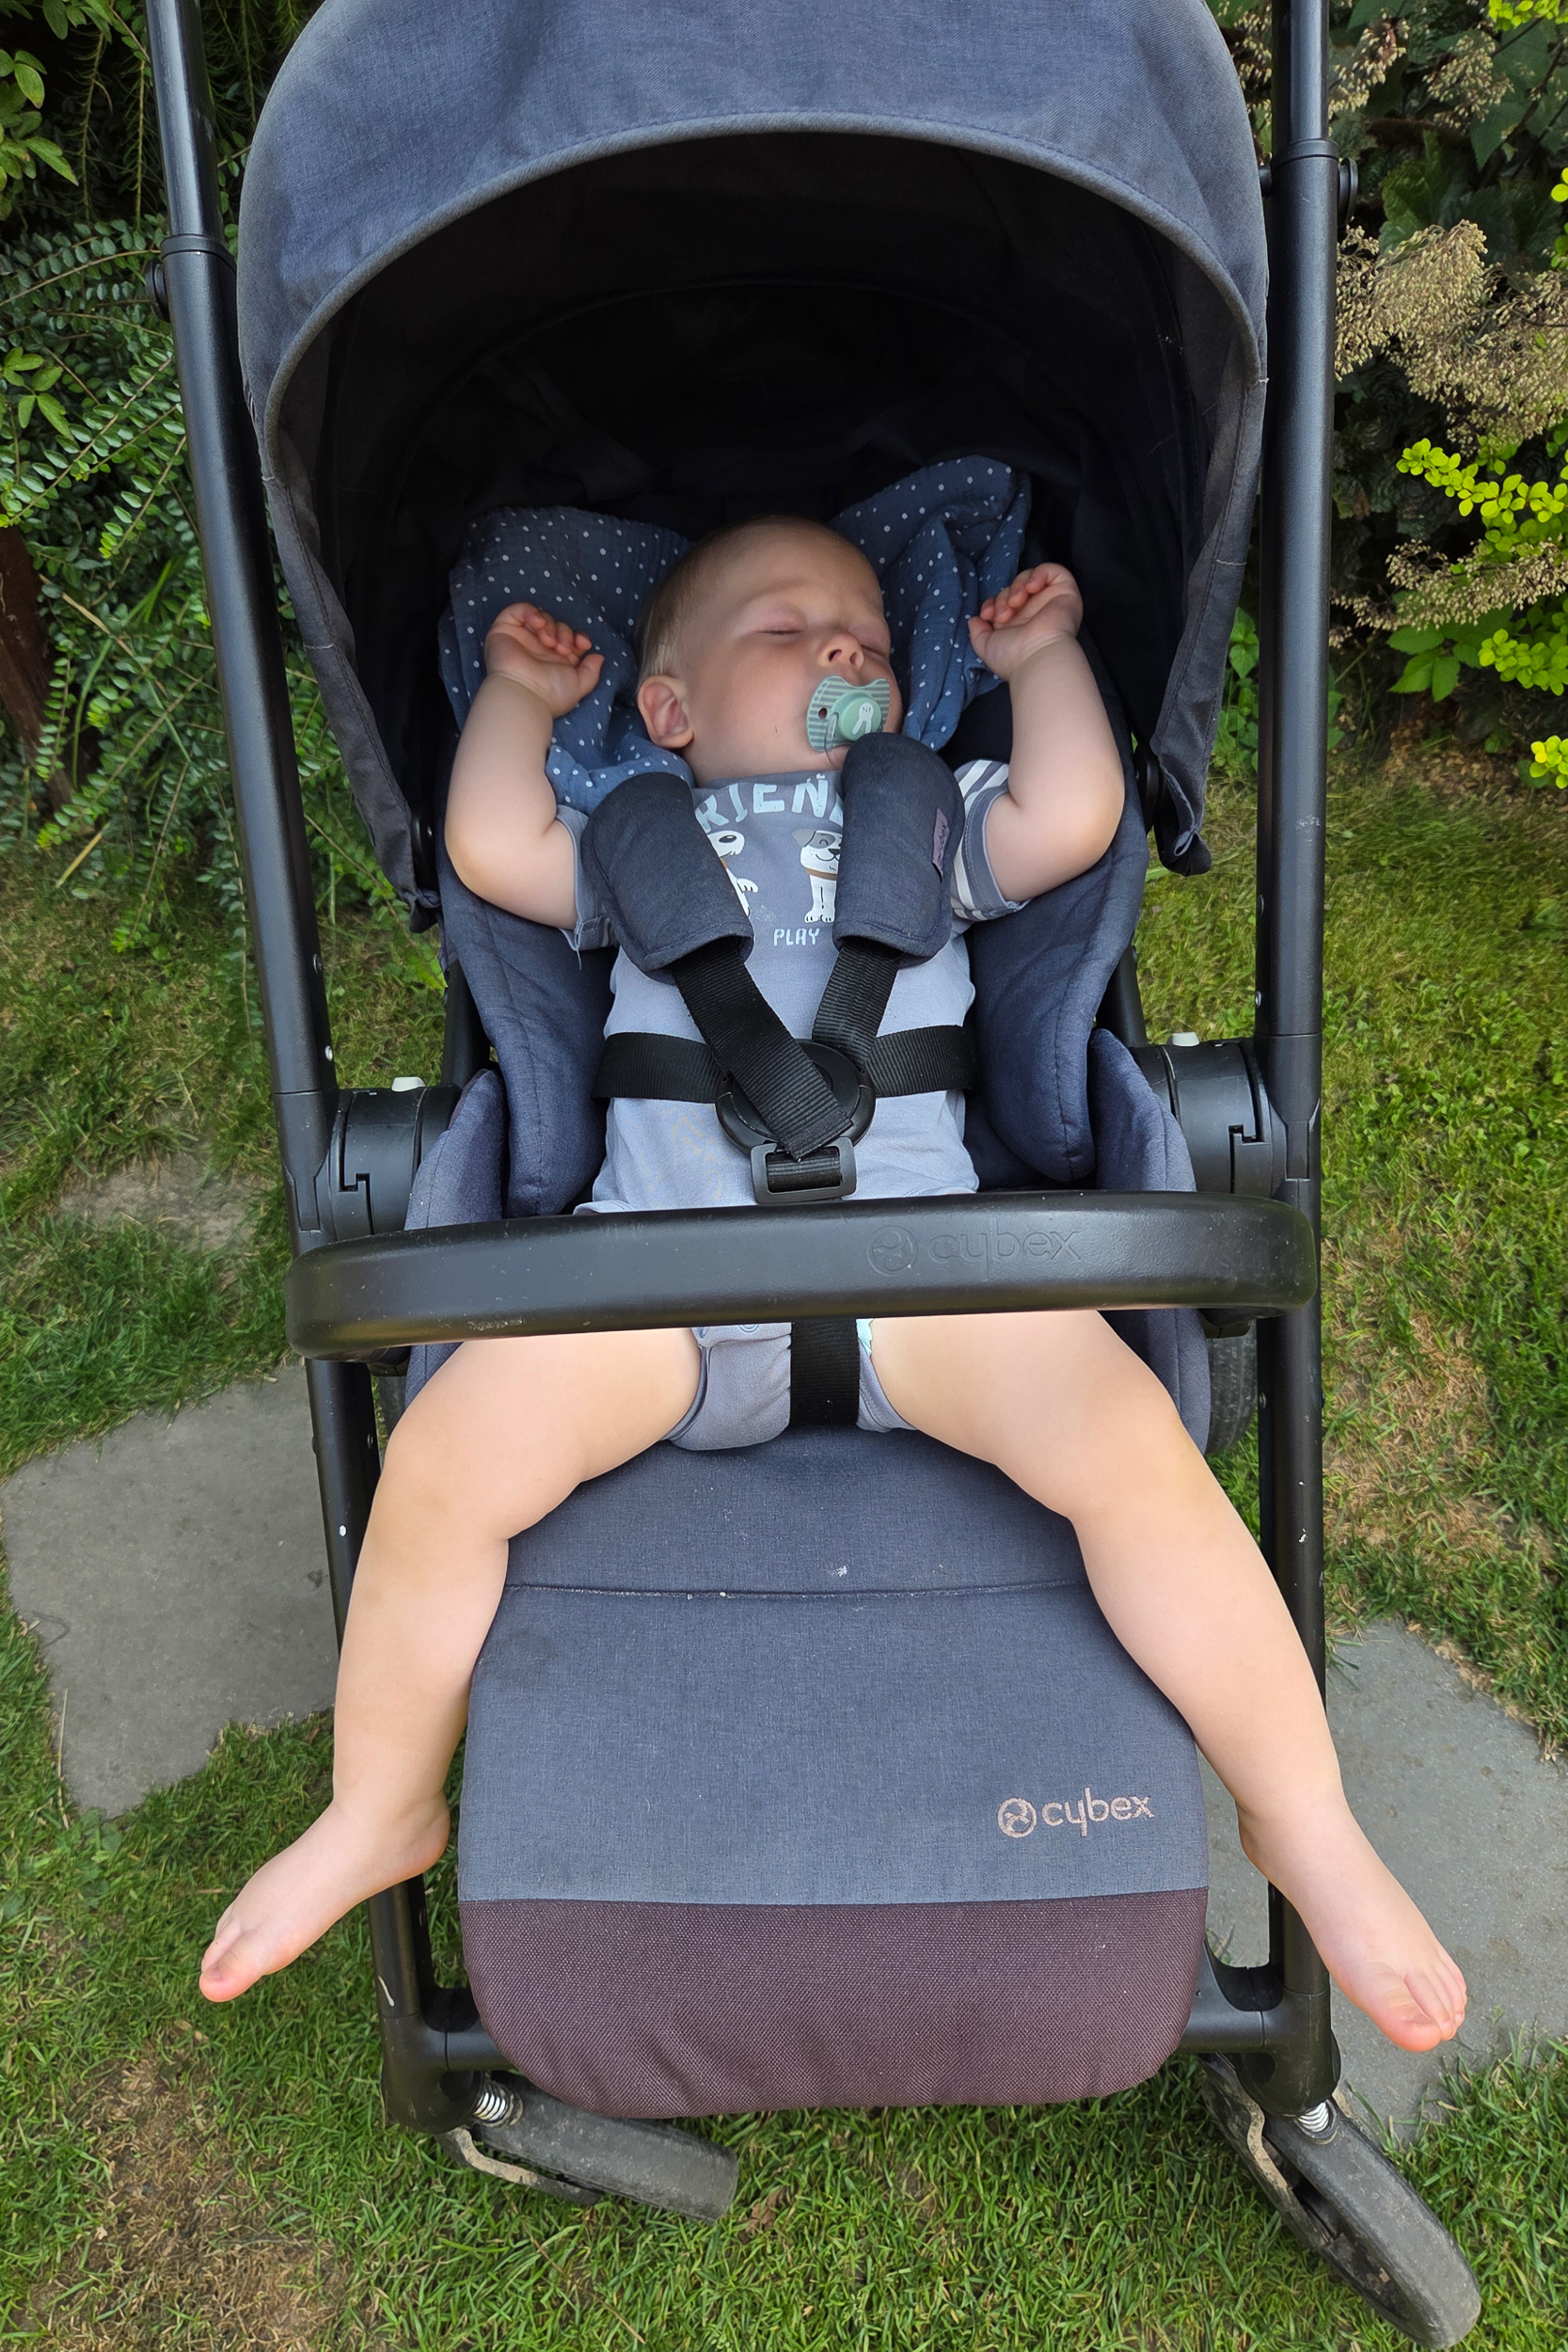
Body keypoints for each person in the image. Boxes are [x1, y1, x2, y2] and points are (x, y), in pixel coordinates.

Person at [199, 516, 1466, 2058]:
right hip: (652, 1291)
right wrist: (521, 705)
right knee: (446, 1464)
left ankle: (1301, 1815)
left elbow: (1074, 818)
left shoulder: (925, 813)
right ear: (669, 709)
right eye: (785, 628)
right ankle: (382, 1803)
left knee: (1134, 1457)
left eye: (862, 626)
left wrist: (1039, 662)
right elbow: (487, 852)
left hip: (926, 1278)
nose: (842, 645)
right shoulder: (631, 836)